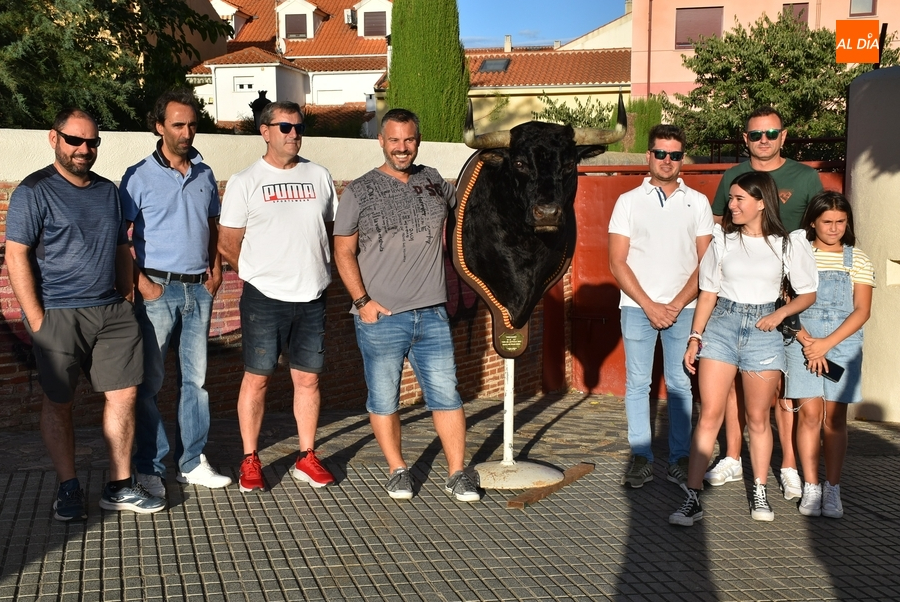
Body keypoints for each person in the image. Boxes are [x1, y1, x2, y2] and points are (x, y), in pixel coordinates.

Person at [5, 108, 166, 520]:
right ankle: (68, 487)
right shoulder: (34, 190)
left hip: (111, 310)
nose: (84, 149)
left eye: (92, 141)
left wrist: (127, 296)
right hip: (58, 313)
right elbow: (17, 255)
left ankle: (118, 486)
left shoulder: (108, 191)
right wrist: (38, 320)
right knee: (60, 401)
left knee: (125, 394)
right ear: (53, 138)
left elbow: (119, 247)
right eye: (74, 140)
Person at [332, 108, 480, 503]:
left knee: (447, 395)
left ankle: (457, 473)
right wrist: (362, 302)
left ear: (418, 140)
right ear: (381, 141)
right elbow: (343, 250)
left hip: (432, 312)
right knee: (384, 397)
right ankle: (398, 469)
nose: (402, 147)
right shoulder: (359, 190)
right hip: (381, 316)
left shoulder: (433, 180)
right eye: (394, 140)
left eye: (409, 140)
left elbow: (468, 211)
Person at [669, 171, 817, 526]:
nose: (730, 205)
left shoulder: (787, 243)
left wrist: (780, 313)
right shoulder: (722, 240)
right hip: (721, 326)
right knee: (709, 415)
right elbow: (708, 293)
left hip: (765, 331)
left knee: (757, 419)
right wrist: (695, 337)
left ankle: (760, 489)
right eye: (731, 198)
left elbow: (808, 293)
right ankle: (692, 498)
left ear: (760, 202)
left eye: (738, 199)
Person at [218, 100, 337, 493]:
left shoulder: (319, 175)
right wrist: (258, 275)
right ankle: (251, 459)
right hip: (265, 299)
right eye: (284, 127)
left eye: (299, 127)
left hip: (312, 295)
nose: (293, 134)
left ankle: (306, 456)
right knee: (258, 379)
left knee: (308, 380)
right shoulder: (246, 180)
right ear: (264, 131)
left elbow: (330, 230)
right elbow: (228, 243)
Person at [706, 106, 824, 501]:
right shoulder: (731, 178)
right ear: (745, 138)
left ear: (783, 136)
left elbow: (817, 228)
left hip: (788, 293)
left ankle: (789, 465)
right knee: (737, 389)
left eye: (771, 133)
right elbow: (721, 228)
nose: (764, 140)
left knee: (786, 390)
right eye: (756, 134)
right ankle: (733, 458)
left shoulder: (805, 177)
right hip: (744, 293)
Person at [120, 90, 231, 497]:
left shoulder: (204, 173)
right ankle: (149, 466)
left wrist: (216, 270)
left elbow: (213, 225)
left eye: (192, 124)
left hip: (198, 291)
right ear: (159, 127)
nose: (187, 132)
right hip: (157, 291)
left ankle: (192, 462)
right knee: (149, 383)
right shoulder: (138, 176)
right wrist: (143, 285)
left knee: (196, 383)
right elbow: (120, 238)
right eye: (178, 124)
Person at [608, 124, 714, 488]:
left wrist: (675, 304)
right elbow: (617, 262)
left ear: (682, 158)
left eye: (675, 155)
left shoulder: (697, 202)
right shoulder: (627, 202)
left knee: (682, 387)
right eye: (661, 153)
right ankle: (641, 457)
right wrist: (650, 305)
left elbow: (706, 263)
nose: (667, 161)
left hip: (684, 311)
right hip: (637, 308)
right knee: (637, 384)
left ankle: (680, 459)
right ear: (648, 156)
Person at [786, 191, 874, 519]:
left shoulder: (858, 259)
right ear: (813, 221)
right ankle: (811, 485)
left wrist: (827, 343)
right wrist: (809, 341)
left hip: (843, 345)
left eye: (841, 221)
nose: (834, 228)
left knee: (834, 420)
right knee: (809, 416)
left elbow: (861, 310)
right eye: (827, 221)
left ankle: (832, 488)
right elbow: (785, 303)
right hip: (802, 343)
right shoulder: (798, 255)